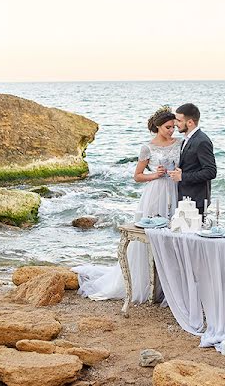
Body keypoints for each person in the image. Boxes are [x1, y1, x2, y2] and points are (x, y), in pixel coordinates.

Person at [73, 107, 182, 301]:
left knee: (174, 235)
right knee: (151, 236)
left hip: (175, 190)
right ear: (157, 127)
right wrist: (154, 175)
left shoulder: (179, 143)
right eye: (167, 127)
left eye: (173, 127)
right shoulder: (147, 148)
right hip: (155, 192)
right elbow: (137, 176)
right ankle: (145, 283)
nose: (171, 130)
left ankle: (170, 286)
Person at [170, 103, 216, 214]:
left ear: (190, 122)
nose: (176, 124)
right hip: (186, 198)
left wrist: (182, 176)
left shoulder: (202, 141)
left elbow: (211, 172)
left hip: (197, 200)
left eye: (179, 121)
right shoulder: (187, 139)